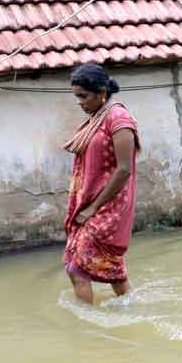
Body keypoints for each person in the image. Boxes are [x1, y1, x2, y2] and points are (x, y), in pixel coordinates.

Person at [62, 63, 140, 304]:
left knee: (77, 269)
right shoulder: (98, 118)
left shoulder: (118, 119)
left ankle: (86, 326)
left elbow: (124, 168)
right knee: (113, 271)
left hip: (109, 207)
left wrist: (93, 208)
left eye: (84, 96)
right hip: (94, 203)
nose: (80, 102)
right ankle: (133, 311)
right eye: (77, 97)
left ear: (101, 92)